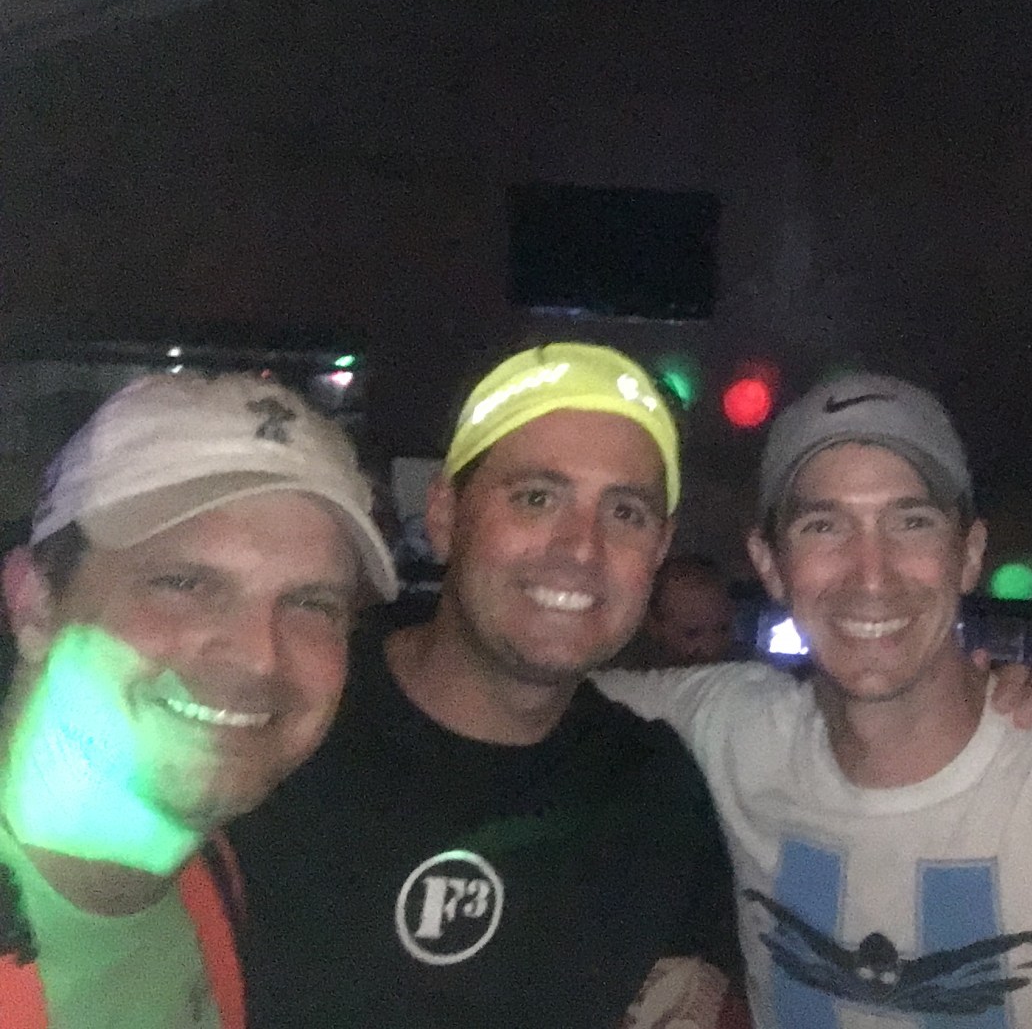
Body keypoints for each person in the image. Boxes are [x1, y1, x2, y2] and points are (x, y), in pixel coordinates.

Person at [598, 373, 1032, 1026]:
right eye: (823, 526)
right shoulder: (732, 726)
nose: (872, 575)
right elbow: (536, 688)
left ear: (968, 554)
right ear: (770, 565)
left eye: (912, 522)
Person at [230, 343, 745, 1027]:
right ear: (445, 514)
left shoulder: (655, 791)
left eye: (625, 513)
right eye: (537, 498)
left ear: (659, 549)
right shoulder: (280, 721)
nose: (581, 548)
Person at [0, 372, 397, 1026]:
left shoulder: (217, 868)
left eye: (310, 603)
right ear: (35, 602)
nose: (259, 655)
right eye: (183, 583)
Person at [638, 554, 740, 667]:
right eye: (692, 633)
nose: (711, 647)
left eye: (723, 629)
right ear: (654, 626)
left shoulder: (742, 662)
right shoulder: (640, 670)